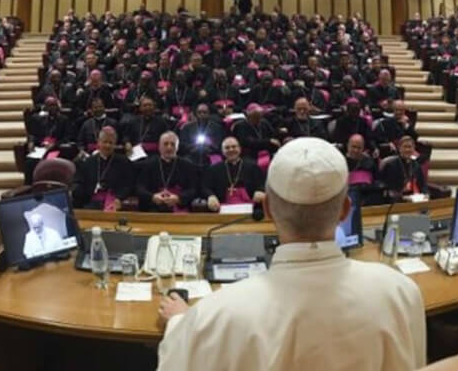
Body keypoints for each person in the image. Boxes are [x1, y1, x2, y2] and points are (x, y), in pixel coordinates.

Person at [157, 138, 426, 370]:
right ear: (345, 211)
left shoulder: (212, 317)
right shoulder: (401, 292)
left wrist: (180, 321)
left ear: (268, 210)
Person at [134, 131, 199, 212]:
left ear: (177, 147)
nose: (169, 147)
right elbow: (140, 188)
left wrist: (178, 198)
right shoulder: (149, 165)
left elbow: (193, 189)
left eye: (173, 144)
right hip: (153, 209)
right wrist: (153, 197)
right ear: (159, 147)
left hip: (179, 209)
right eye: (165, 144)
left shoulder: (187, 165)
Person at [72, 126, 133, 211]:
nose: (107, 145)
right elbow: (79, 182)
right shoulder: (88, 162)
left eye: (111, 143)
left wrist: (119, 198)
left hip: (114, 204)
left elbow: (127, 185)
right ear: (99, 142)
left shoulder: (123, 162)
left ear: (115, 144)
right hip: (91, 203)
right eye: (105, 142)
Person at [202, 137, 265, 211]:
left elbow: (261, 184)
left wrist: (260, 191)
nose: (231, 150)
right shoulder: (214, 169)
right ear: (222, 151)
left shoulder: (252, 166)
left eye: (234, 147)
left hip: (250, 207)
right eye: (227, 148)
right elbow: (205, 187)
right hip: (221, 207)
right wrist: (211, 196)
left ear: (240, 149)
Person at [378, 136, 426, 201]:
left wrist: (426, 195)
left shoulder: (416, 165)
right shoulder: (390, 165)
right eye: (405, 147)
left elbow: (422, 185)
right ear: (399, 148)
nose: (407, 150)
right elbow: (387, 188)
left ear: (414, 148)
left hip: (413, 198)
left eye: (410, 147)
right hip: (395, 200)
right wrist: (402, 197)